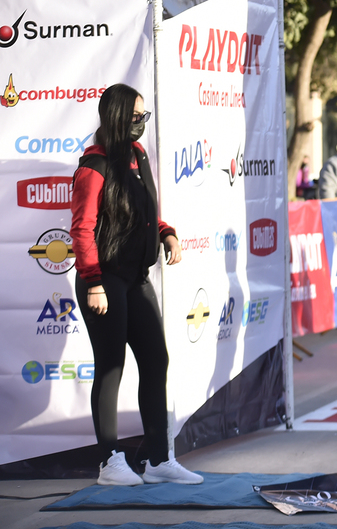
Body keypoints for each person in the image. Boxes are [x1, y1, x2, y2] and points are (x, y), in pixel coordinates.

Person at [70, 83, 203, 486]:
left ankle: (159, 459)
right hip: (104, 279)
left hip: (136, 277)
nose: (141, 122)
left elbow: (144, 212)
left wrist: (167, 233)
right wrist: (93, 282)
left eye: (143, 115)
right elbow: (82, 229)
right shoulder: (93, 167)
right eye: (134, 116)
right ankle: (110, 463)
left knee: (156, 360)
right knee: (111, 367)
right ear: (115, 117)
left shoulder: (139, 156)